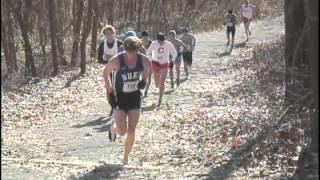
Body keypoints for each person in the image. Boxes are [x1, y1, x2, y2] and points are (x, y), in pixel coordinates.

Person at [103, 36, 151, 165]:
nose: (130, 54)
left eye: (133, 51)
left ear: (138, 49)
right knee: (122, 130)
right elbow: (105, 72)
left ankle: (125, 157)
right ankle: (114, 128)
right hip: (120, 96)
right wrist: (109, 90)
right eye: (127, 51)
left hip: (135, 96)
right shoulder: (117, 59)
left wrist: (144, 81)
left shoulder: (144, 60)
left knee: (131, 130)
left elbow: (147, 70)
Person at [146, 32, 177, 106]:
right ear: (157, 40)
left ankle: (160, 98)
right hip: (155, 64)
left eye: (162, 41)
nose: (161, 43)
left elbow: (174, 53)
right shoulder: (153, 44)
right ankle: (157, 87)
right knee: (157, 82)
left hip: (164, 64)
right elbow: (147, 53)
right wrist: (152, 60)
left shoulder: (168, 44)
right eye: (159, 42)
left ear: (164, 39)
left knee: (162, 81)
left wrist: (172, 61)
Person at [140, 30, 153, 97]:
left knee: (149, 77)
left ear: (148, 36)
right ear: (141, 37)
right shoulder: (139, 43)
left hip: (150, 62)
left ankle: (146, 91)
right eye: (144, 37)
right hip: (141, 63)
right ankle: (141, 90)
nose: (145, 38)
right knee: (142, 77)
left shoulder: (152, 43)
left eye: (146, 37)